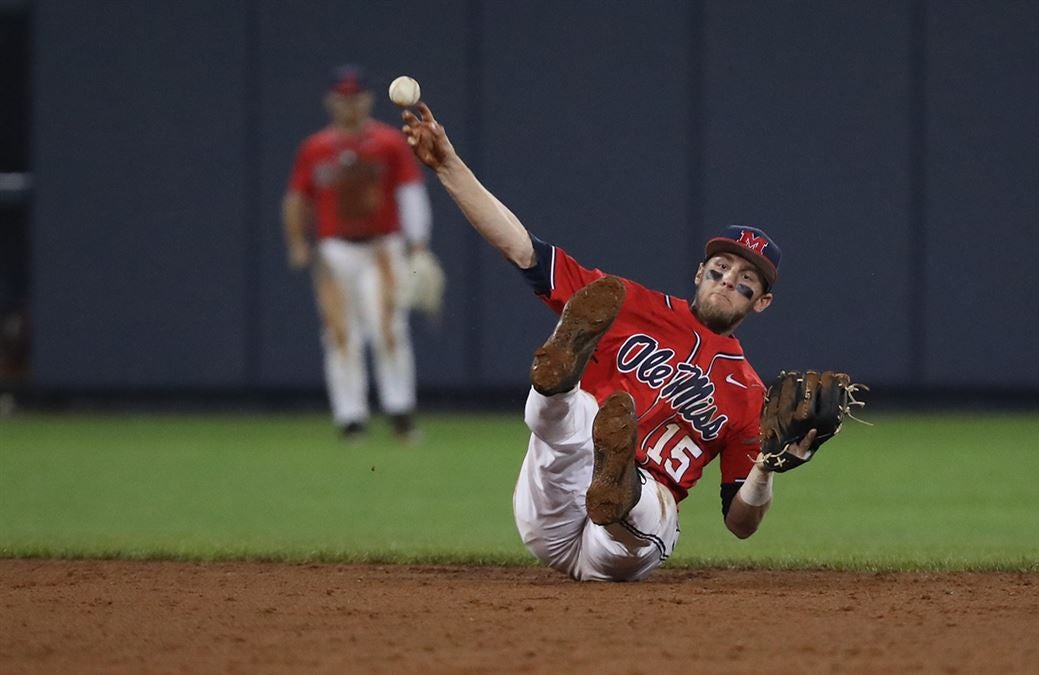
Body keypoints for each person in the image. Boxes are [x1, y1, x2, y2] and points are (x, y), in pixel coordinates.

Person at [401, 102, 820, 581]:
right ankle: (555, 380)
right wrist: (449, 166)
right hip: (554, 500)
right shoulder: (628, 303)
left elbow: (739, 523)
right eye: (721, 268)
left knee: (649, 504)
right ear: (699, 273)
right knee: (580, 415)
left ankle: (620, 484)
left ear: (762, 302)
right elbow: (522, 249)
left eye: (747, 279)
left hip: (627, 538)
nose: (728, 280)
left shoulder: (749, 395)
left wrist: (765, 469)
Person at [282, 65, 433, 441]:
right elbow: (297, 198)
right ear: (331, 101)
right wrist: (298, 242)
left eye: (356, 97)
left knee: (388, 329)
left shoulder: (388, 142)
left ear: (367, 99)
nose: (350, 104)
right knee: (339, 334)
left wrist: (417, 244)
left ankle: (400, 411)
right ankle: (351, 417)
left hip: (381, 247)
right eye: (342, 97)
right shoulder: (315, 148)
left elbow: (410, 192)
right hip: (335, 251)